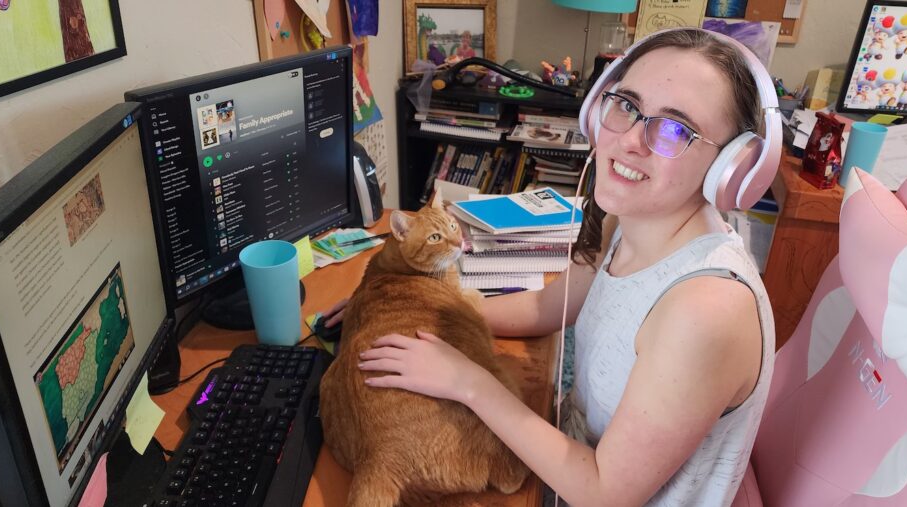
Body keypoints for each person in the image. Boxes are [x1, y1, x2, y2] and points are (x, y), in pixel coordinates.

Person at [323, 27, 776, 506]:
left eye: (674, 129)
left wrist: (467, 381)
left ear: (734, 167)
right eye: (626, 105)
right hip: (563, 460)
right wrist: (417, 298)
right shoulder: (627, 219)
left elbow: (604, 492)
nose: (629, 142)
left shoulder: (705, 309)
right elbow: (549, 305)